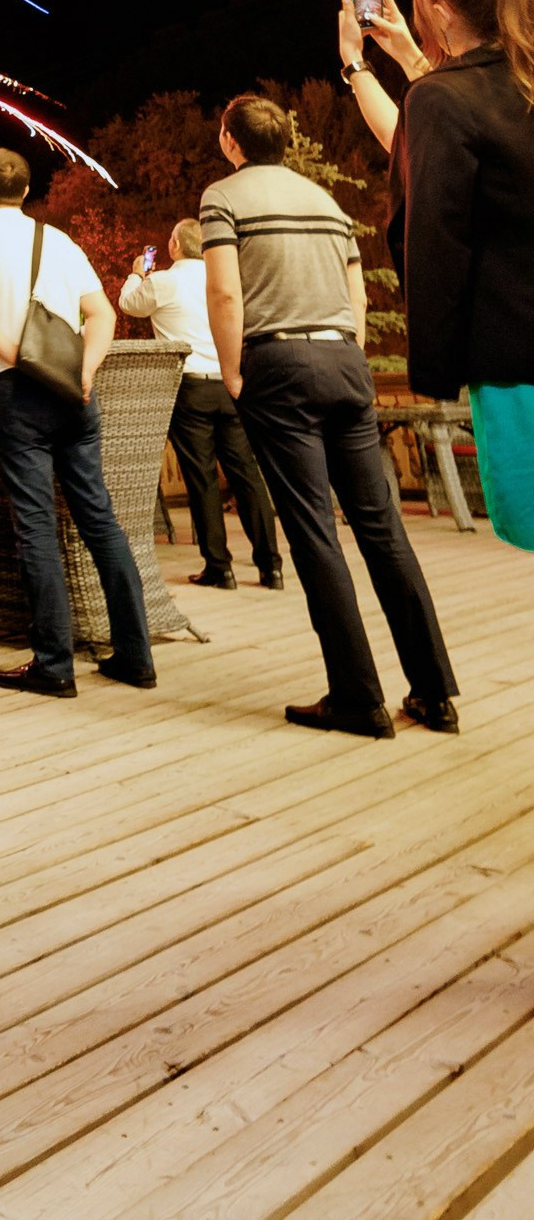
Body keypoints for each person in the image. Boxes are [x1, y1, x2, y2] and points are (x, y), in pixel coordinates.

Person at [202, 91, 459, 737]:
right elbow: (357, 295)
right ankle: (434, 693)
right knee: (383, 531)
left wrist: (233, 371)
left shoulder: (223, 198)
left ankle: (358, 697)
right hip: (345, 359)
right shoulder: (328, 203)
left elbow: (225, 290)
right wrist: (354, 356)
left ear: (231, 141)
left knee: (315, 531)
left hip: (279, 364)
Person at [342, 0, 534, 555]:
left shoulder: (445, 99)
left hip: (516, 359)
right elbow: (464, 123)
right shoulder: (514, 84)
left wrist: (437, 364)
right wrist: (406, 58)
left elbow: (434, 235)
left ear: (443, 12)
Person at [0, 149, 156, 700]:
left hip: (18, 393)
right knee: (100, 520)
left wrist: (23, 361)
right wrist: (82, 370)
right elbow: (104, 315)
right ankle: (135, 655)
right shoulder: (58, 241)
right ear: (27, 188)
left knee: (35, 526)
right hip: (75, 391)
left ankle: (53, 664)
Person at [121, 218, 282, 592]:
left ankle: (219, 567)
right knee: (247, 475)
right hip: (231, 384)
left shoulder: (162, 282)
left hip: (190, 389)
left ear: (175, 245)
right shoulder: (221, 280)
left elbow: (129, 305)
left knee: (202, 478)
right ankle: (271, 566)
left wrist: (136, 274)